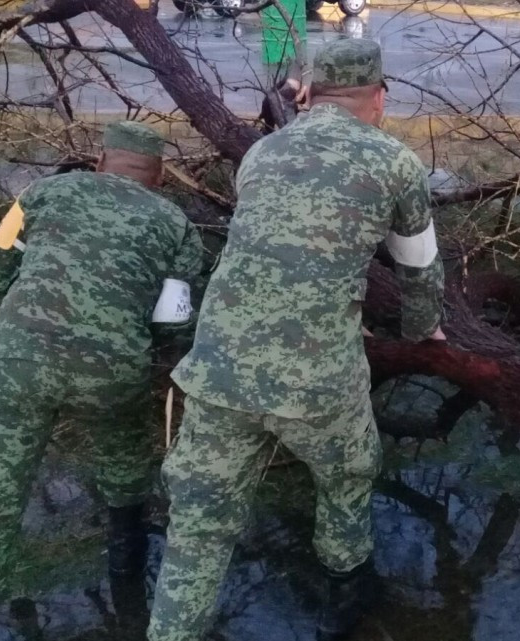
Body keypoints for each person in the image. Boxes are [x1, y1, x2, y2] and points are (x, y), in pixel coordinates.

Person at [146, 38, 446, 641]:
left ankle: (169, 630)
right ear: (379, 98)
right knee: (347, 479)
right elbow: (418, 267)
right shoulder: (395, 163)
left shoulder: (261, 153)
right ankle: (344, 606)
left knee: (199, 526)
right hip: (318, 386)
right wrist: (424, 331)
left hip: (219, 372)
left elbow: (275, 246)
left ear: (308, 95)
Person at [0, 121, 206, 641]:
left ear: (101, 162)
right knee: (127, 471)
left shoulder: (39, 193)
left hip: (13, 364)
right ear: (157, 178)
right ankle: (128, 578)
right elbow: (174, 321)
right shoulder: (176, 225)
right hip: (110, 371)